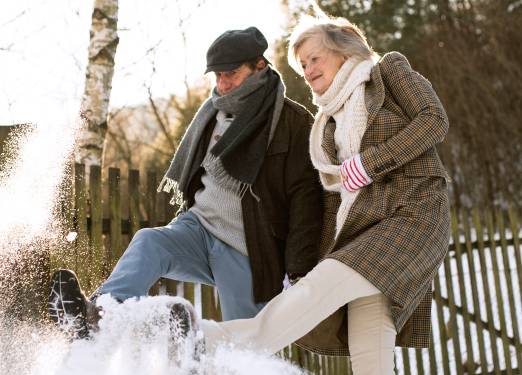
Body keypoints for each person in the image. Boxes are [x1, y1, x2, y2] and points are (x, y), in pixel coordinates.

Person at [195, 11, 451, 375]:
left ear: (343, 48)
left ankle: (210, 341)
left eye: (314, 58)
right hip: (361, 233)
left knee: (317, 291)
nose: (309, 70)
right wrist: (309, 259)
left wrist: (373, 162)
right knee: (372, 367)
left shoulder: (386, 72)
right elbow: (334, 206)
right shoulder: (325, 124)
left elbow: (434, 121)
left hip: (411, 217)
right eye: (301, 66)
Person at [48, 26, 323, 337]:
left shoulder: (292, 121)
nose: (222, 84)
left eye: (231, 73)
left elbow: (305, 197)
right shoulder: (212, 113)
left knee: (244, 344)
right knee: (149, 242)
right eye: (217, 75)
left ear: (259, 66)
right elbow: (198, 177)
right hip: (198, 228)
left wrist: (300, 271)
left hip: (248, 248)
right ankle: (100, 317)